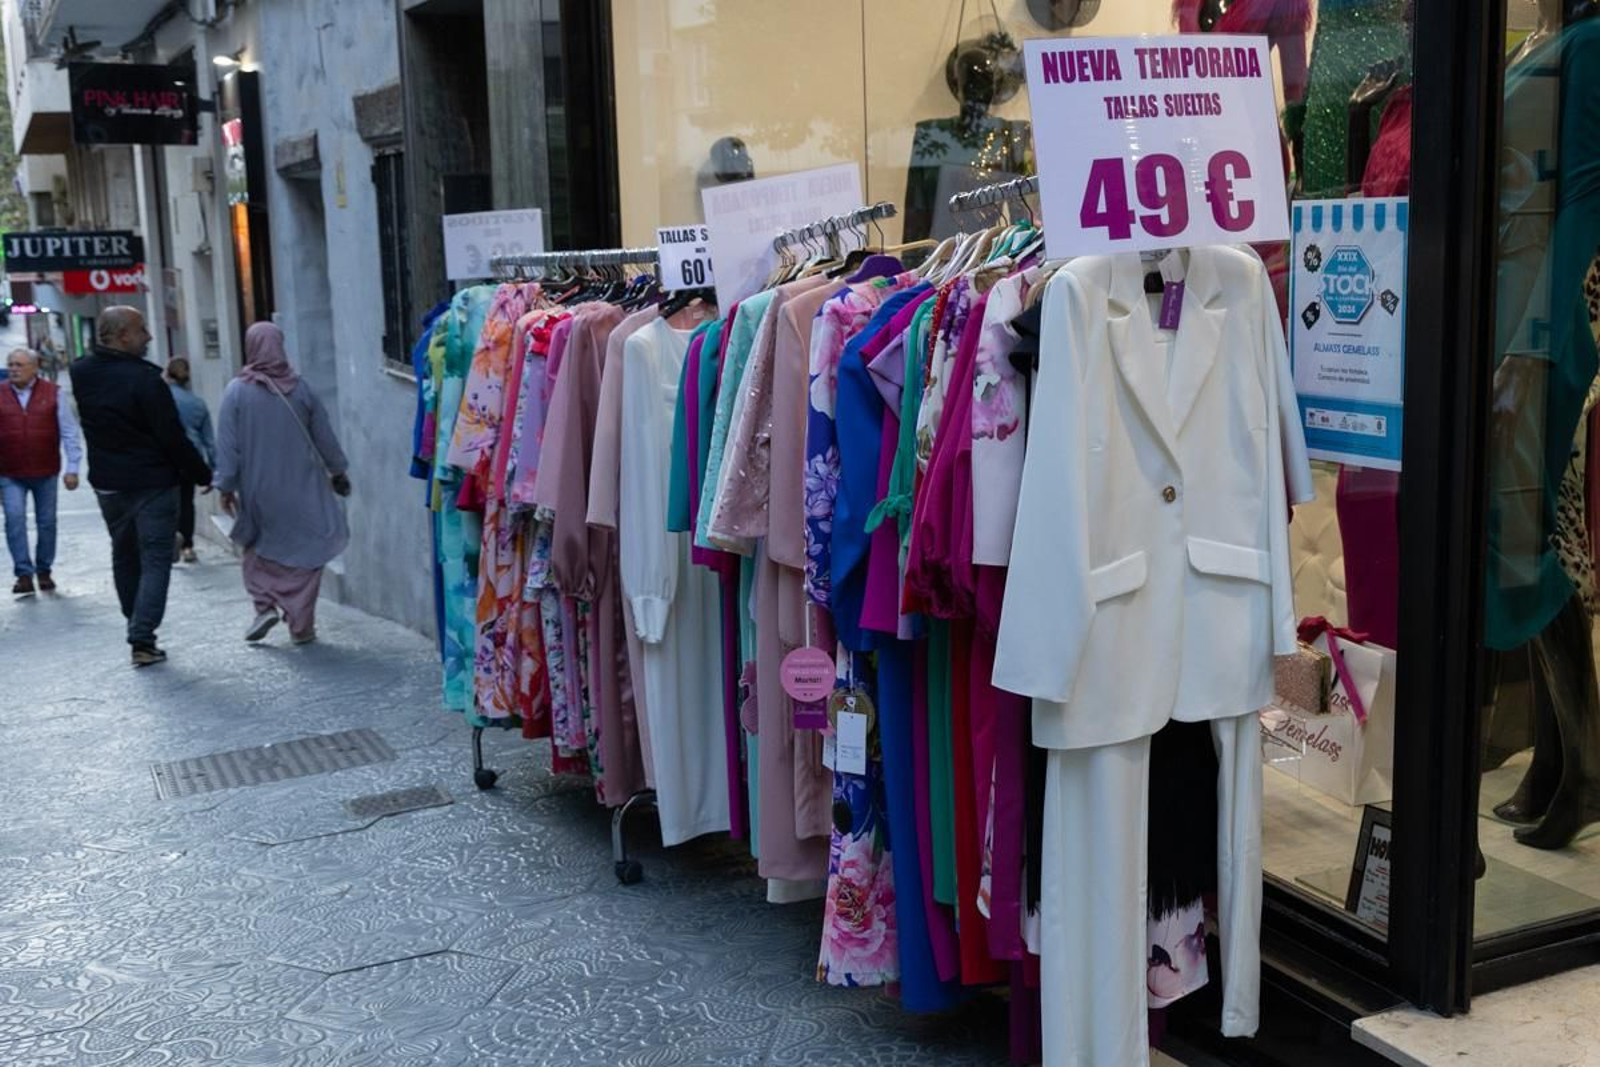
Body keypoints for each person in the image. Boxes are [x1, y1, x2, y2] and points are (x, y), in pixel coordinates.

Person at [69, 306, 212, 667]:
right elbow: (171, 436)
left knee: (124, 553)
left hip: (108, 483)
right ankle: (142, 637)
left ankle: (136, 622)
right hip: (151, 482)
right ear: (122, 336)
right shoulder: (147, 380)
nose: (148, 336)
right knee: (155, 559)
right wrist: (201, 473)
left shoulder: (81, 372)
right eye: (141, 330)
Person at [216, 322, 350, 645]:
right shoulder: (300, 389)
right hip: (304, 489)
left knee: (259, 550)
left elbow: (227, 445)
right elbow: (325, 437)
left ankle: (264, 606)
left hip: (260, 490)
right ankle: (301, 624)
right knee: (308, 553)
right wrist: (338, 471)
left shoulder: (236, 391)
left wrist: (225, 485)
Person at [1, 348, 82, 594]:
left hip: (45, 470)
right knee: (14, 519)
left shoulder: (53, 394)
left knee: (47, 522)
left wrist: (73, 468)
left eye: (19, 365)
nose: (14, 369)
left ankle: (44, 569)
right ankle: (23, 573)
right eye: (11, 364)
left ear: (35, 368)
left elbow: (69, 432)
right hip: (9, 471)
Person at [165, 357, 215, 564]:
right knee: (187, 502)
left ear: (167, 375)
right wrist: (213, 471)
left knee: (166, 502)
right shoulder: (197, 403)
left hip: (165, 458)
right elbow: (209, 441)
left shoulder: (160, 399)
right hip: (191, 459)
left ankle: (170, 541)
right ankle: (187, 546)